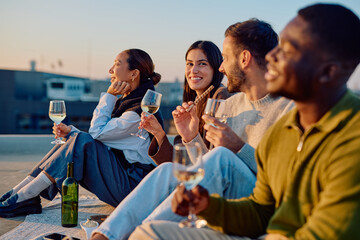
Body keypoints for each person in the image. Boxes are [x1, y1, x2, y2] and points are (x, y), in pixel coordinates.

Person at [130, 3, 360, 240]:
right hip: (264, 230)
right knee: (148, 233)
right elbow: (260, 210)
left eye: (289, 49)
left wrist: (237, 148)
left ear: (328, 72)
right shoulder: (286, 128)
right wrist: (207, 207)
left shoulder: (352, 136)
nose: (272, 56)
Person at [91, 19, 293, 240]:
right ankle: (105, 236)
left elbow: (286, 181)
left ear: (244, 59)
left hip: (261, 204)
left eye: (223, 59)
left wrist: (238, 147)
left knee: (223, 157)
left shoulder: (289, 110)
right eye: (189, 64)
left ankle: (142, 235)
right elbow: (209, 172)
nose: (222, 68)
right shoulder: (229, 106)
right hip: (228, 198)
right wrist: (190, 136)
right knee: (166, 172)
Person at [0, 49, 164, 217]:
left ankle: (26, 196)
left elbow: (96, 133)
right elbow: (103, 138)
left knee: (80, 140)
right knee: (73, 139)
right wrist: (72, 132)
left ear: (134, 73)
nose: (110, 70)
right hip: (125, 178)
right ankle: (19, 193)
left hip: (133, 188)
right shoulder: (133, 102)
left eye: (116, 64)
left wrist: (109, 96)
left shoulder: (138, 113)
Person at [140, 40, 231, 166]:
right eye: (189, 64)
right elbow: (180, 163)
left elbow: (211, 166)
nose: (193, 70)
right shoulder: (194, 103)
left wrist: (191, 137)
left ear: (216, 68)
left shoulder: (220, 98)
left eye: (202, 64)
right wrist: (159, 133)